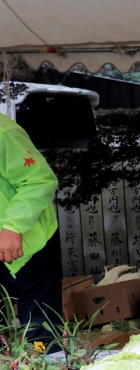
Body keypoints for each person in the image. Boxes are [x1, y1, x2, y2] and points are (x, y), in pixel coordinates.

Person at [0, 114, 61, 342]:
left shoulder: (3, 131)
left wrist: (13, 227)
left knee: (40, 335)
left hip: (26, 245)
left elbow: (39, 179)